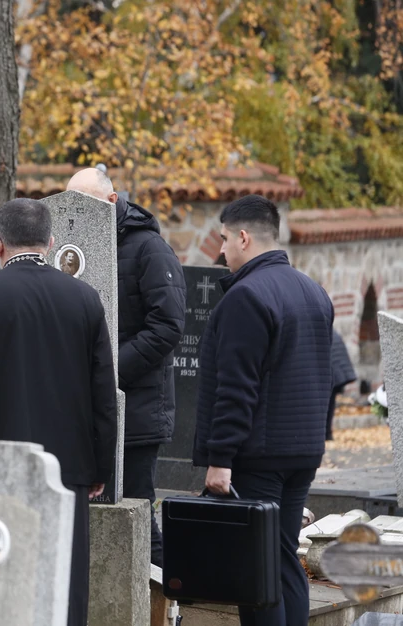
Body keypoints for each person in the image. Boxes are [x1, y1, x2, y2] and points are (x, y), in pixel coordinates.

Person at [0, 198, 117, 626]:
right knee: (64, 581)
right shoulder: (85, 299)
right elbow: (103, 394)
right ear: (51, 243)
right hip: (67, 467)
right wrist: (99, 467)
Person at [195, 194, 334, 626]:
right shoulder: (314, 291)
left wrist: (220, 460)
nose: (221, 251)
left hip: (259, 455)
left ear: (243, 237)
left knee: (255, 574)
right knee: (282, 559)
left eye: (223, 240)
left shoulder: (246, 297)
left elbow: (237, 388)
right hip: (302, 452)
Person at [66, 167, 185, 567]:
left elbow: (166, 326)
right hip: (83, 407)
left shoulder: (149, 248)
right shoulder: (68, 245)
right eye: (72, 204)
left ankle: (164, 603)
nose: (78, 213)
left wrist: (108, 372)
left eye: (87, 204)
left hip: (136, 410)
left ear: (112, 202)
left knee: (136, 518)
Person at [327, 329, 357, 440]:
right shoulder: (331, 331)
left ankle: (327, 433)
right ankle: (327, 433)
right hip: (336, 371)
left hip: (333, 371)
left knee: (327, 404)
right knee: (330, 403)